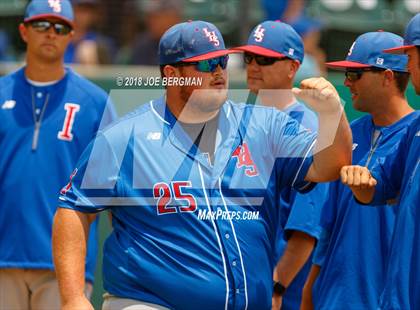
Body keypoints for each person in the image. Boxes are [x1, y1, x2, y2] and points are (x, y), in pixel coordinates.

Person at [52, 20, 352, 310]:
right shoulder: (124, 137)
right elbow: (73, 209)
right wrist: (73, 298)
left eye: (222, 61)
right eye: (207, 64)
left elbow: (328, 166)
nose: (219, 72)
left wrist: (333, 115)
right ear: (172, 73)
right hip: (150, 300)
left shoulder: (262, 124)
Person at [0, 1, 117, 309]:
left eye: (60, 27)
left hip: (66, 270)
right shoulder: (1, 93)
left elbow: (109, 191)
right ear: (24, 31)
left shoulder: (94, 102)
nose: (51, 33)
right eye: (42, 25)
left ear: (71, 35)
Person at [300, 30, 417, 310]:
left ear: (388, 77)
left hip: (384, 296)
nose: (347, 82)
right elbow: (328, 222)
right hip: (334, 295)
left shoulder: (413, 132)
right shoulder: (348, 134)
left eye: (356, 74)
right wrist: (310, 290)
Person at [232, 20, 325, 310]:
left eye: (266, 59)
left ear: (293, 67)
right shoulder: (244, 123)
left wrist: (278, 284)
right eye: (250, 58)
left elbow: (307, 228)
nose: (254, 66)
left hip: (284, 291)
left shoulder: (306, 128)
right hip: (245, 281)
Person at [340, 13, 420, 310]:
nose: (408, 67)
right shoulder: (416, 129)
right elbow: (380, 188)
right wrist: (362, 185)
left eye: (410, 56)